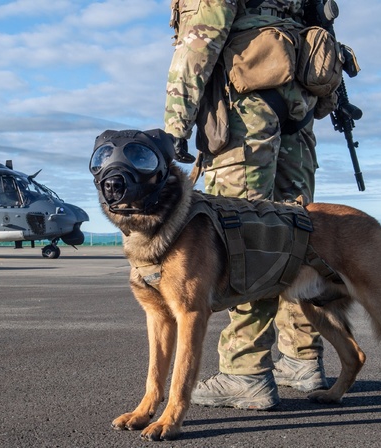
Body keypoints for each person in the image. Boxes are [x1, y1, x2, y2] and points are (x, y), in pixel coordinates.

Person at [164, 0, 334, 410]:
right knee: (296, 237)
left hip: (246, 118)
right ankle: (302, 360)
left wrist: (174, 125)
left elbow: (200, 39)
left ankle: (245, 372)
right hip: (297, 114)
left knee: (242, 242)